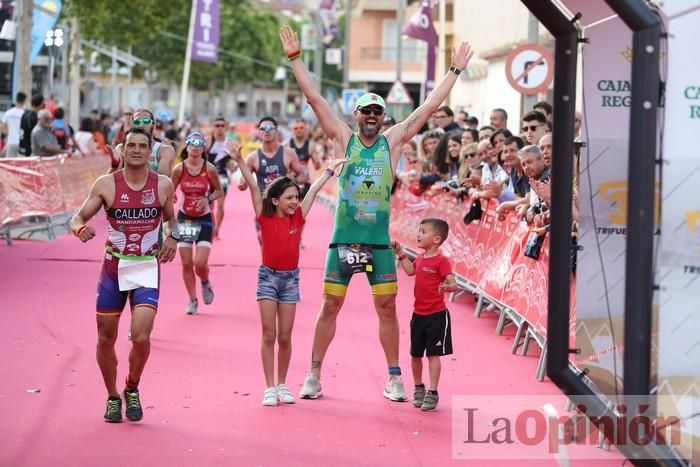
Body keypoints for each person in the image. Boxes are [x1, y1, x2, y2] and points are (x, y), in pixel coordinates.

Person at [279, 24, 472, 401]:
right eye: (366, 111)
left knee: (386, 307)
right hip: (343, 243)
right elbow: (315, 98)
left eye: (377, 111)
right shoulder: (342, 136)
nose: (372, 116)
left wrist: (455, 71)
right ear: (356, 114)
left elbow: (428, 107)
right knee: (330, 305)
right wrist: (295, 59)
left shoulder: (393, 140)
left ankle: (394, 377)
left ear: (383, 117)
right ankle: (314, 374)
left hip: (379, 245)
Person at [69, 127, 178, 423]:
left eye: (143, 145)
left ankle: (132, 386)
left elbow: (171, 220)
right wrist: (80, 228)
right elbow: (77, 217)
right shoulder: (107, 185)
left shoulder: (163, 185)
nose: (137, 150)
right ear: (123, 149)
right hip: (113, 267)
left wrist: (172, 238)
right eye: (131, 145)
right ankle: (112, 396)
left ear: (149, 150)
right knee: (105, 338)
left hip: (145, 267)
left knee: (141, 337)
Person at [232, 139, 349, 406]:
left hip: (290, 280)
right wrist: (239, 160)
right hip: (268, 278)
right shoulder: (264, 214)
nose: (295, 202)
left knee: (285, 336)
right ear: (275, 200)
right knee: (269, 334)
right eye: (289, 198)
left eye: (296, 197)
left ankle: (283, 384)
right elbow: (251, 185)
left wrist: (329, 170)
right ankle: (269, 387)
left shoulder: (299, 216)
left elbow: (314, 191)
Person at [391, 218, 457, 411]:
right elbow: (411, 271)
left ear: (436, 239)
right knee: (415, 354)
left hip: (436, 316)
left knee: (433, 355)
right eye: (418, 231)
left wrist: (448, 286)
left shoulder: (441, 261)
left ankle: (433, 392)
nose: (418, 234)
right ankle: (419, 387)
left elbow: (453, 282)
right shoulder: (420, 258)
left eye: (423, 231)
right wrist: (401, 254)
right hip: (418, 315)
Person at [170, 132, 223, 315]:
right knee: (186, 263)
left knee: (199, 263)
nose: (195, 146)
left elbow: (219, 191)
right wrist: (172, 195)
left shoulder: (209, 169)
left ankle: (205, 281)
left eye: (199, 143)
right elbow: (170, 188)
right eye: (192, 143)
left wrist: (207, 199)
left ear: (203, 148)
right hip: (185, 218)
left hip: (204, 218)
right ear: (187, 146)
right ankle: (192, 300)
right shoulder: (179, 169)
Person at [238, 116, 306, 243]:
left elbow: (302, 176)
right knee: (262, 239)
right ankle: (266, 263)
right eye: (263, 128)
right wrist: (242, 183)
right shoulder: (253, 158)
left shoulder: (288, 153)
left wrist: (293, 181)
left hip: (284, 206)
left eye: (270, 128)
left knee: (284, 240)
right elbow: (243, 183)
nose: (267, 131)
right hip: (264, 206)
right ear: (258, 132)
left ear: (276, 131)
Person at [112, 109, 176, 177]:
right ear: (132, 125)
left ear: (153, 126)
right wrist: (114, 165)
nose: (141, 124)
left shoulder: (164, 150)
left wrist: (143, 160)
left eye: (146, 121)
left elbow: (163, 181)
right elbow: (114, 179)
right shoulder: (121, 148)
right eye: (137, 121)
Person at [206, 116, 235, 238]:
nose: (219, 128)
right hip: (207, 177)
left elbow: (235, 161)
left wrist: (233, 165)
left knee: (220, 205)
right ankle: (210, 226)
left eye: (222, 126)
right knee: (209, 205)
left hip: (222, 177)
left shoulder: (229, 143)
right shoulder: (208, 141)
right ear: (213, 127)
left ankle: (216, 229)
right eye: (217, 125)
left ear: (226, 127)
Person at [0, 91, 26, 157]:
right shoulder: (25, 113)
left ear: (16, 99)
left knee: (9, 164)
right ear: (24, 101)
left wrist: (8, 134)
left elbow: (2, 127)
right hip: (22, 143)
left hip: (11, 142)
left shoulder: (8, 113)